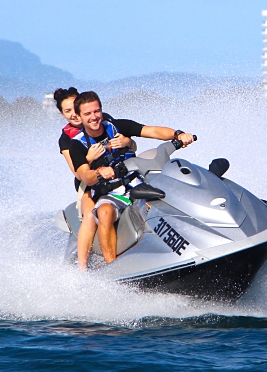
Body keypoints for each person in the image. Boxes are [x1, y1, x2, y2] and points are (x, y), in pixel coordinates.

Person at [69, 91, 194, 266]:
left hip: (139, 183)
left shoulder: (118, 127)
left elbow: (152, 130)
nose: (94, 117)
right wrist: (98, 173)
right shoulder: (77, 144)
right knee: (104, 213)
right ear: (80, 117)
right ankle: (112, 266)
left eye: (96, 111)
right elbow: (85, 176)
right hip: (111, 193)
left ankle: (196, 238)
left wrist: (178, 134)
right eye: (87, 114)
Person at [53, 87, 137, 269]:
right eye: (68, 112)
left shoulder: (101, 121)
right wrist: (89, 158)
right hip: (87, 184)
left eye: (75, 109)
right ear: (63, 114)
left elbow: (128, 146)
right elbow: (78, 173)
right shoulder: (66, 140)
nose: (74, 115)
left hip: (116, 178)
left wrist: (128, 142)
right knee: (91, 216)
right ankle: (82, 269)